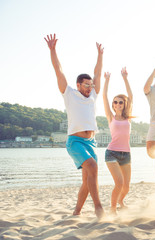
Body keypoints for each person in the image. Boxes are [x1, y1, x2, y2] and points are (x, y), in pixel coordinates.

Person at [44, 34, 104, 218]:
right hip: (75, 142)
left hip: (90, 142)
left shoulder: (93, 95)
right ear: (78, 85)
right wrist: (53, 50)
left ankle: (76, 212)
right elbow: (58, 70)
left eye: (91, 85)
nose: (90, 87)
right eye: (86, 85)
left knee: (87, 181)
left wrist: (100, 55)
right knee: (92, 167)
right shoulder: (69, 93)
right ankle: (98, 208)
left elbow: (98, 73)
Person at [103, 68, 133, 214]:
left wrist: (125, 78)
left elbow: (131, 96)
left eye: (121, 102)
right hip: (112, 153)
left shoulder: (127, 117)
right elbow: (104, 96)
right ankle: (113, 209)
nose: (118, 104)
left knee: (126, 186)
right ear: (113, 105)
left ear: (124, 104)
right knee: (119, 183)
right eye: (115, 102)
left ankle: (121, 201)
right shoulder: (111, 117)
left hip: (126, 154)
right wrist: (107, 81)